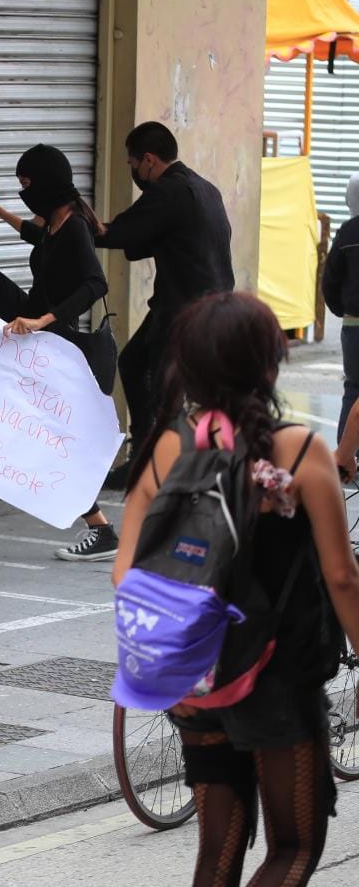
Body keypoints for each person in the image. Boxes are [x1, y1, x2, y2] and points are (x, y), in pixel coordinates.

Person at [112, 292, 359, 886]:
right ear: (270, 364)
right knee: (292, 850)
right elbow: (342, 577)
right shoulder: (301, 451)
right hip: (276, 679)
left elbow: (125, 574)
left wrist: (169, 660)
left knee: (216, 854)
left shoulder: (169, 446)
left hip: (191, 678)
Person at [0, 144, 118, 561]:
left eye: (26, 185)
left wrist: (44, 320)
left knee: (53, 437)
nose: (23, 194)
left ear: (47, 183)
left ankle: (101, 528)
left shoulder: (76, 228)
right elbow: (35, 237)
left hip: (54, 340)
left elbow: (95, 284)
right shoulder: (53, 223)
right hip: (29, 323)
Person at [97, 122, 234, 486]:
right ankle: (158, 457)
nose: (133, 172)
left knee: (165, 389)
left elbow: (122, 232)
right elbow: (149, 238)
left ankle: (159, 467)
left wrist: (70, 228)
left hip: (183, 312)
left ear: (149, 160)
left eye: (132, 164)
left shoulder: (168, 190)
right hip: (214, 307)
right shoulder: (205, 189)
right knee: (139, 364)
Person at [322, 171, 359, 443]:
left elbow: (330, 280)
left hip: (354, 325)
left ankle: (346, 461)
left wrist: (342, 310)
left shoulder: (347, 232)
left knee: (353, 389)